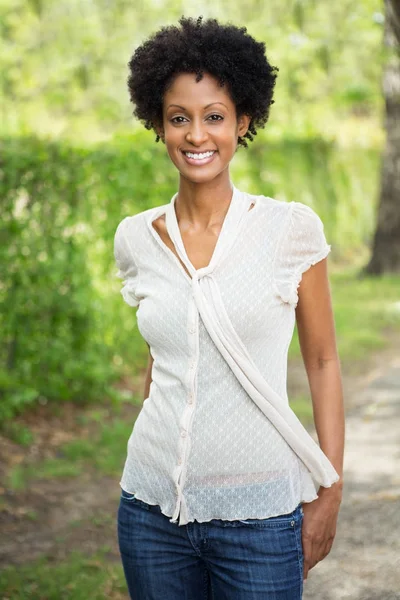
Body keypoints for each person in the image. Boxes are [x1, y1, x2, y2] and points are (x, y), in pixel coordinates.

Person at [114, 15, 345, 600]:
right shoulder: (136, 238)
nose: (197, 136)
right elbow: (161, 361)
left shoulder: (289, 230)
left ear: (242, 122)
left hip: (260, 517)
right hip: (150, 513)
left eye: (214, 117)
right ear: (158, 125)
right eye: (179, 118)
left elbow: (322, 361)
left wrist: (330, 493)